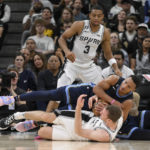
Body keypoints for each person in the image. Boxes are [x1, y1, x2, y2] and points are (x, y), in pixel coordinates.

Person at [0, 75, 140, 121]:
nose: (124, 86)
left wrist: (106, 107)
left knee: (57, 116)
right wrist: (113, 101)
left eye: (128, 87)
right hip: (83, 90)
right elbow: (96, 88)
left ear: (133, 90)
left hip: (88, 106)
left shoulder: (128, 102)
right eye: (125, 82)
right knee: (51, 94)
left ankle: (33, 123)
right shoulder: (115, 79)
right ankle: (11, 99)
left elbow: (122, 119)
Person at [0, 95, 123, 142]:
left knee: (42, 132)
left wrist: (79, 107)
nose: (100, 113)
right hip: (84, 119)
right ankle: (16, 116)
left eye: (102, 114)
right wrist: (96, 96)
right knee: (48, 116)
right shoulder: (118, 116)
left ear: (108, 121)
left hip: (77, 133)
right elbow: (119, 107)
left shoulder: (103, 135)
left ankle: (37, 123)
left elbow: (79, 131)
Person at [58, 5, 122, 88]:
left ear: (102, 16)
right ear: (89, 15)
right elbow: (61, 38)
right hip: (72, 64)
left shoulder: (105, 32)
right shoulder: (79, 25)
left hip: (88, 66)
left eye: (99, 16)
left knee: (102, 90)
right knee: (58, 96)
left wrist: (116, 68)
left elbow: (108, 54)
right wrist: (67, 51)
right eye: (94, 15)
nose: (96, 18)